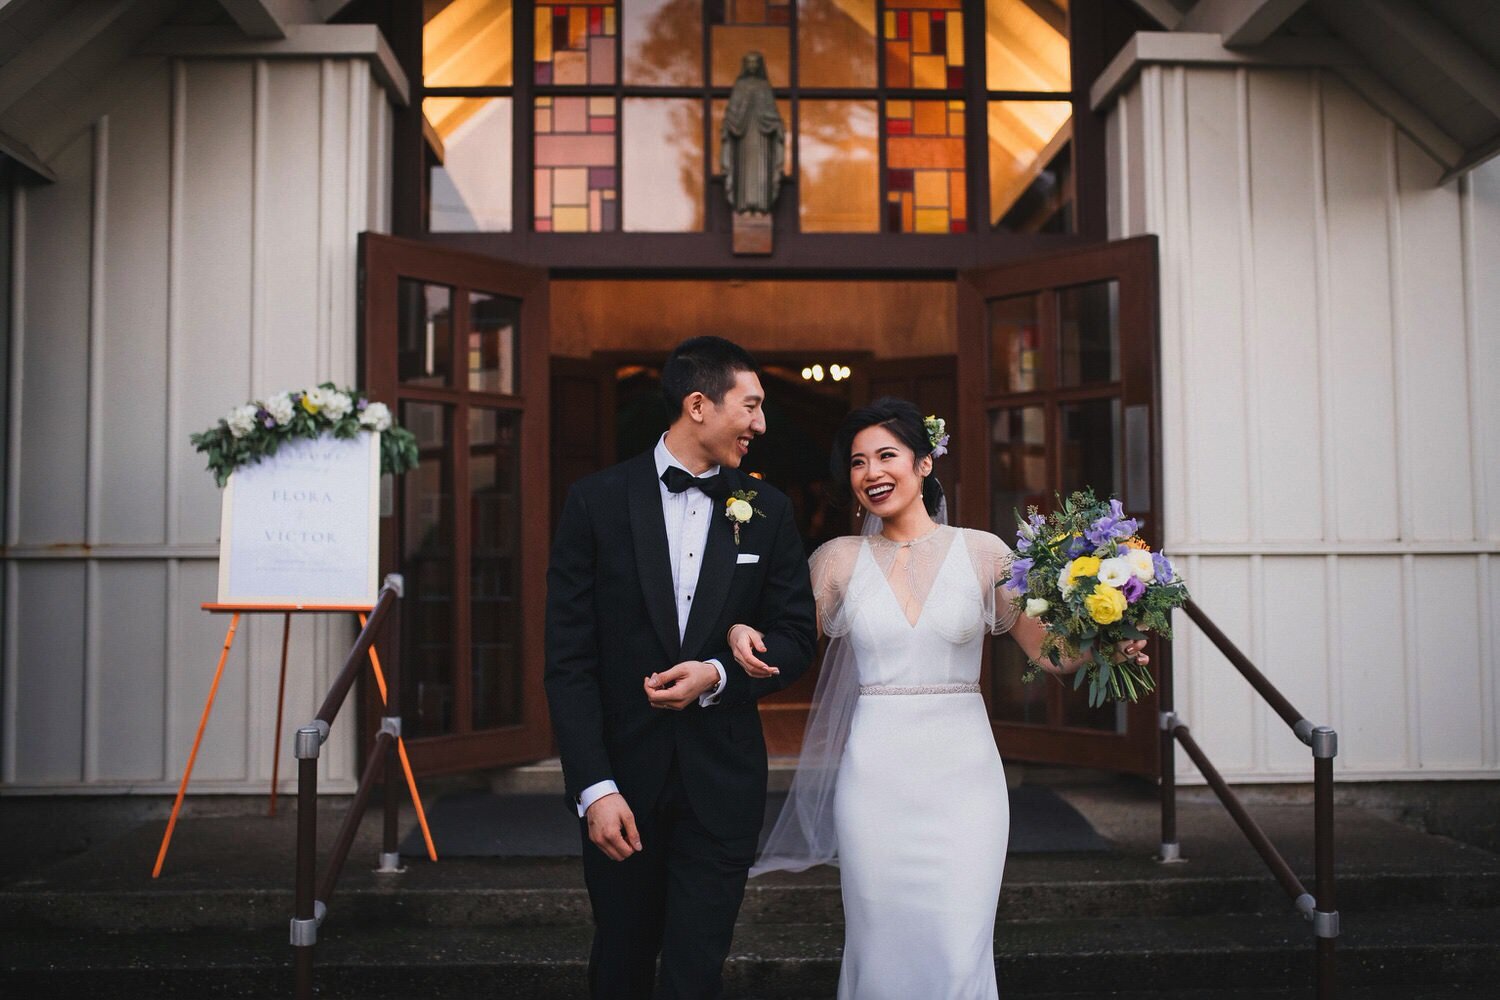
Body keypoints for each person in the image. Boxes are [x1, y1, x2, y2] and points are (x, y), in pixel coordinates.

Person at [730, 397, 1147, 999]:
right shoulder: (836, 561)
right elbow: (784, 645)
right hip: (874, 781)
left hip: (965, 780)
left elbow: (1048, 652)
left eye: (887, 456)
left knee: (959, 949)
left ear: (924, 464)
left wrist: (1107, 641)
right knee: (879, 946)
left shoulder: (986, 553)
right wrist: (740, 631)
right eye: (857, 462)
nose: (872, 472)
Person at [544, 335, 818, 999]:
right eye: (749, 406)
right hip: (622, 787)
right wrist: (595, 789)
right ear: (699, 404)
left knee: (697, 973)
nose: (760, 423)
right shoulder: (594, 502)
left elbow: (795, 638)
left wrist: (720, 674)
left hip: (720, 785)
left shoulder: (768, 510)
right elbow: (568, 660)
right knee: (621, 963)